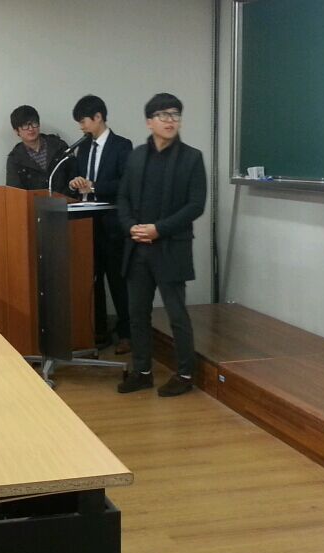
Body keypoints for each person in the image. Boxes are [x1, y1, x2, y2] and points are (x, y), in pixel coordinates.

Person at [116, 93, 207, 397]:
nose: (170, 120)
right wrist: (130, 226)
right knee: (137, 314)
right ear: (149, 122)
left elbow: (196, 205)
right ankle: (142, 372)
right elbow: (123, 197)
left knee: (176, 314)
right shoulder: (137, 156)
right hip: (137, 248)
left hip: (171, 247)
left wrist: (158, 230)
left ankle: (185, 374)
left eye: (175, 115)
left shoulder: (192, 158)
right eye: (163, 115)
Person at [68, 94, 134, 353]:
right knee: (92, 280)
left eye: (83, 121)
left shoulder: (122, 145)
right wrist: (76, 183)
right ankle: (98, 331)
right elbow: (81, 180)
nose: (81, 127)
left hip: (113, 224)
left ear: (98, 117)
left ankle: (126, 333)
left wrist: (95, 186)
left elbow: (126, 183)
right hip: (87, 224)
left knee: (118, 281)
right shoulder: (84, 147)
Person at [5, 105, 73, 194]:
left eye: (34, 123)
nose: (31, 129)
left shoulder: (59, 146)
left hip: (65, 200)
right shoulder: (15, 159)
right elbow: (14, 192)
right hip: (33, 202)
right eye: (25, 125)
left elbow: (74, 175)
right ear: (16, 131)